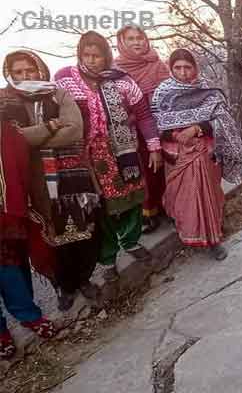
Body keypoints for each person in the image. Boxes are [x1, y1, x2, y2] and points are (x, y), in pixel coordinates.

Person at [55, 31, 162, 281]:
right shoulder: (65, 80)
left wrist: (154, 147)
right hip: (87, 159)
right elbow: (56, 114)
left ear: (106, 56)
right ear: (79, 54)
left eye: (97, 55)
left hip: (124, 152)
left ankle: (130, 241)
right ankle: (108, 258)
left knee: (133, 200)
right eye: (87, 55)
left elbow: (144, 115)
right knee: (101, 209)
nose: (92, 60)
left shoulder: (122, 80)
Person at [1, 50, 101, 312]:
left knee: (83, 231)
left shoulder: (57, 93)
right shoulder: (5, 101)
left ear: (39, 69)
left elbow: (74, 130)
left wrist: (30, 138)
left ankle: (83, 278)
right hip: (33, 181)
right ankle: (63, 286)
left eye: (29, 70)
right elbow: (11, 140)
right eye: (18, 72)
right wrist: (51, 126)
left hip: (72, 175)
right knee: (49, 237)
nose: (25, 76)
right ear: (10, 75)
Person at [151, 49, 242, 260]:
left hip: (205, 148)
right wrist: (177, 134)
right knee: (186, 196)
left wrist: (196, 129)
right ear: (171, 69)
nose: (183, 72)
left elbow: (223, 120)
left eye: (188, 67)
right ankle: (191, 230)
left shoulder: (208, 89)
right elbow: (157, 126)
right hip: (176, 151)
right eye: (178, 68)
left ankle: (213, 238)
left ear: (195, 67)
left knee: (206, 189)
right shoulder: (162, 93)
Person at [0, 91, 57, 361]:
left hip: (5, 211)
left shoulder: (5, 125)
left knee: (10, 266)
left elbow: (20, 151)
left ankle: (28, 314)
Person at [115, 25, 170, 235]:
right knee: (145, 171)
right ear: (122, 43)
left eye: (140, 37)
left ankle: (171, 206)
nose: (137, 42)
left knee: (166, 167)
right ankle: (149, 212)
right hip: (134, 131)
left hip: (163, 125)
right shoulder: (116, 71)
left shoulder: (157, 65)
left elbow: (170, 95)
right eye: (131, 39)